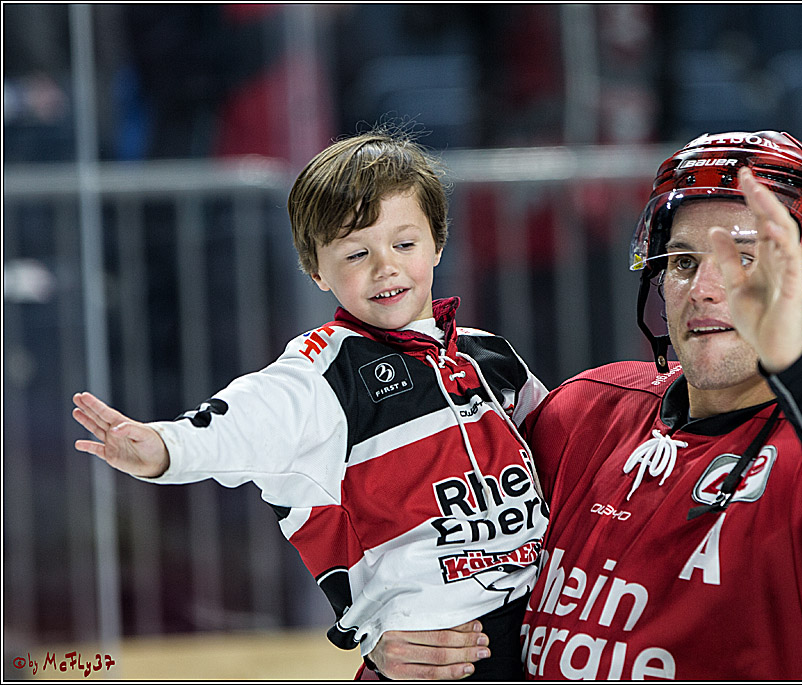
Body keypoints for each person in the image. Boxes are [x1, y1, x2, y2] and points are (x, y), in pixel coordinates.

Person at [366, 131, 802, 680]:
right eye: (684, 262)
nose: (706, 287)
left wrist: (796, 373)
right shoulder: (583, 415)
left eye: (745, 261)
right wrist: (400, 646)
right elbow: (460, 580)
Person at [71, 124, 549, 680]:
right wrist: (161, 446)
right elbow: (246, 418)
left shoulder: (490, 356)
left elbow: (570, 453)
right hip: (432, 658)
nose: (384, 267)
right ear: (316, 270)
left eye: (403, 243)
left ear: (437, 243)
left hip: (546, 631)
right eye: (355, 252)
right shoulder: (319, 374)